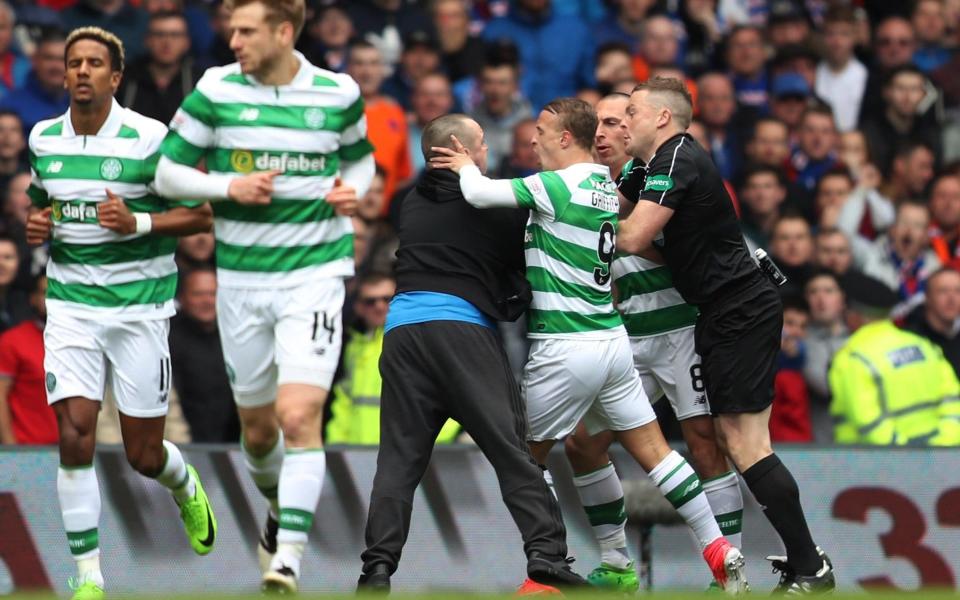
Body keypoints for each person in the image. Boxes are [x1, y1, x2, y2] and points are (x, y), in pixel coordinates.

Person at [430, 99, 748, 594]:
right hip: (612, 341)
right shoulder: (604, 184)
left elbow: (477, 194)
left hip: (564, 345)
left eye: (539, 130)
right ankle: (719, 551)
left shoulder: (557, 184)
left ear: (563, 138)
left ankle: (545, 574)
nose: (531, 140)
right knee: (657, 454)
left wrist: (465, 163)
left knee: (524, 461)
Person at [154, 0, 375, 593]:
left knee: (298, 416)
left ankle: (288, 560)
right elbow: (167, 173)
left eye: (246, 31)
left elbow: (361, 160)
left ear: (283, 32)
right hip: (243, 282)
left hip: (315, 274)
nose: (233, 41)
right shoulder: (215, 89)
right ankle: (278, 511)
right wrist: (228, 185)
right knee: (258, 432)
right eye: (232, 29)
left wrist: (351, 194)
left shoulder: (337, 92)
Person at [617, 77, 834, 594]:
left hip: (740, 308)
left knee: (745, 443)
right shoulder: (647, 167)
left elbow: (629, 234)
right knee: (735, 442)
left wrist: (568, 214)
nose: (624, 122)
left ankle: (812, 568)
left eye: (631, 112)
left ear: (663, 118)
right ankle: (808, 564)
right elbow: (619, 208)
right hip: (719, 310)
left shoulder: (676, 158)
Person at [24, 27, 216, 600]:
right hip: (71, 308)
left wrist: (141, 222)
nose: (82, 71)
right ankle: (89, 579)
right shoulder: (43, 138)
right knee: (75, 436)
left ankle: (183, 486)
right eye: (73, 62)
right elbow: (43, 204)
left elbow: (202, 213)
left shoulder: (149, 139)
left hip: (140, 311)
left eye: (94, 64)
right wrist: (39, 227)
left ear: (115, 77)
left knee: (143, 454)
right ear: (64, 74)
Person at [357, 113, 585, 594]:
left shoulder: (411, 202)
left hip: (402, 332)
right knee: (511, 449)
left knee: (398, 462)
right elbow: (520, 262)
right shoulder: (496, 204)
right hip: (460, 333)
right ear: (460, 148)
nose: (487, 152)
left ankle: (376, 569)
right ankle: (545, 554)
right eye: (480, 144)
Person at [563, 92, 748, 592]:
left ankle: (727, 572)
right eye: (593, 124)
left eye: (611, 122)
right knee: (583, 443)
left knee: (706, 442)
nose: (599, 132)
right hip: (629, 337)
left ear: (633, 127)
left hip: (682, 330)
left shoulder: (655, 181)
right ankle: (617, 562)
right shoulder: (589, 185)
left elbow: (682, 250)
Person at [327, 272, 460, 445]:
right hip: (358, 455)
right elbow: (344, 400)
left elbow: (453, 394)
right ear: (358, 307)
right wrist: (338, 445)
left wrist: (426, 443)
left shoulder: (421, 340)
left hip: (406, 457)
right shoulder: (354, 345)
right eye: (370, 301)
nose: (380, 306)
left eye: (387, 299)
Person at [829, 273, 960, 445]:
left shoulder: (851, 358)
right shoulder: (924, 346)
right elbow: (953, 402)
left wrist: (905, 456)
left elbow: (868, 422)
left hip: (871, 466)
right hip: (938, 461)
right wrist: (941, 445)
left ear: (854, 316)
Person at [168, 266, 239, 443]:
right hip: (182, 443)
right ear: (182, 298)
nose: (207, 300)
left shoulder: (236, 335)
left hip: (233, 445)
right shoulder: (167, 337)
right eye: (198, 294)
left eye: (212, 293)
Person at [347, 40, 411, 205]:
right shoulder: (337, 110)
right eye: (359, 63)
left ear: (382, 69)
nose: (367, 71)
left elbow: (403, 174)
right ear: (348, 68)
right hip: (347, 211)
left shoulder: (395, 112)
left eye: (374, 64)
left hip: (385, 216)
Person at [116, 10, 201, 126]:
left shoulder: (199, 81)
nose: (167, 42)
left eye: (175, 35)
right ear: (147, 40)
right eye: (159, 34)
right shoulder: (125, 79)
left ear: (186, 43)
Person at [0, 274, 54, 445]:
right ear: (32, 299)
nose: (52, 299)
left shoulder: (81, 342)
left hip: (75, 450)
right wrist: (11, 448)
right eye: (46, 293)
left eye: (59, 293)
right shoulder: (13, 341)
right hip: (27, 449)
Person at [802, 271, 848, 442]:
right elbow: (825, 386)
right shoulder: (800, 342)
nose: (821, 298)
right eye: (813, 292)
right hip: (817, 444)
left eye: (828, 291)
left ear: (842, 300)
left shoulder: (859, 337)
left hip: (861, 441)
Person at [0, 29, 69, 135]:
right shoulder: (9, 104)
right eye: (48, 58)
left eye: (62, 59)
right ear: (34, 60)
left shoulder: (86, 103)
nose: (56, 66)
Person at [814, 5, 867, 132]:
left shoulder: (865, 76)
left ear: (855, 36)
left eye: (844, 34)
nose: (837, 41)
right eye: (831, 34)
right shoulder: (813, 73)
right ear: (822, 37)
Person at [901, 267, 960, 377]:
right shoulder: (909, 339)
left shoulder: (956, 338)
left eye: (958, 291)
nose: (951, 298)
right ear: (927, 297)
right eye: (943, 291)